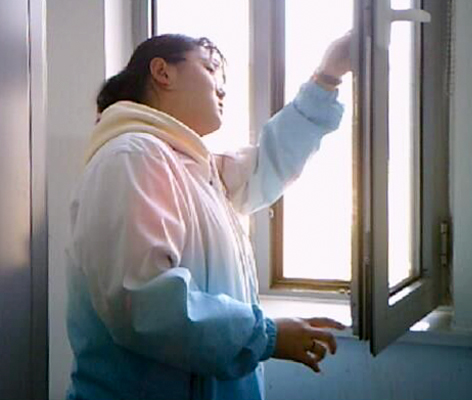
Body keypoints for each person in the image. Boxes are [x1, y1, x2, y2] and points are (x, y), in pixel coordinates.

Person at [65, 32, 352, 400]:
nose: (222, 88)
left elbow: (268, 163)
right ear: (162, 72)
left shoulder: (193, 168)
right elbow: (143, 304)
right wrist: (266, 336)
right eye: (209, 67)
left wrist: (328, 76)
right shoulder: (133, 157)